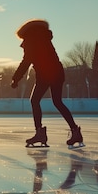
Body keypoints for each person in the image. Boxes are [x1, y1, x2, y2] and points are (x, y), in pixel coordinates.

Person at [10, 19, 83, 148]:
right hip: (57, 71)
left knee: (34, 100)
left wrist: (16, 79)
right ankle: (75, 131)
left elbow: (26, 62)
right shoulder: (45, 37)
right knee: (57, 101)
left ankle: (40, 133)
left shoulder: (31, 40)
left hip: (45, 73)